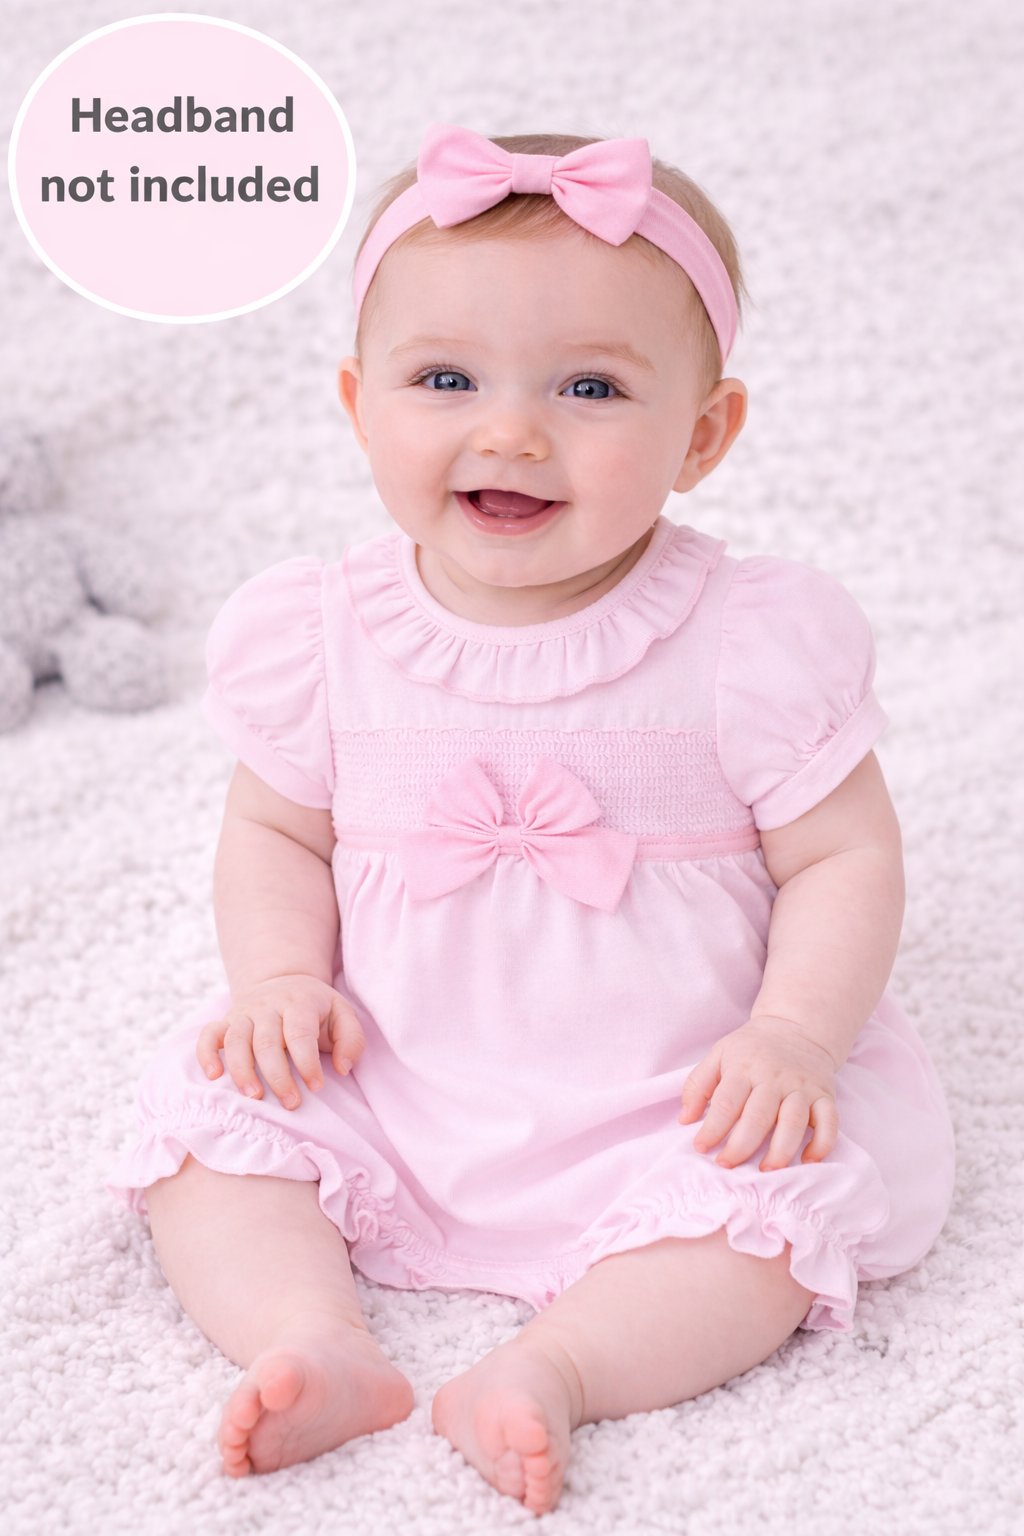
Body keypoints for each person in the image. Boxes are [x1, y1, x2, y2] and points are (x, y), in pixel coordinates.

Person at [108, 125, 955, 1515]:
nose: (510, 429)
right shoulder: (319, 634)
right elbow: (275, 833)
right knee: (206, 1131)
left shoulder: (750, 640)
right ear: (358, 405)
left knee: (769, 1220)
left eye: (590, 386)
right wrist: (277, 981)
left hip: (675, 1084)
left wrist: (792, 1036)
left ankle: (553, 1369)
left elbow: (844, 855)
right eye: (445, 379)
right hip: (387, 1055)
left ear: (704, 435)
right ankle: (310, 1338)